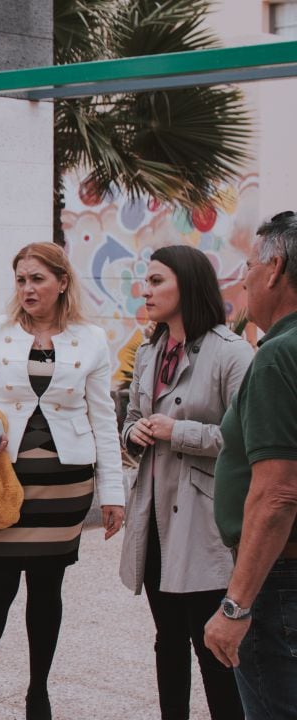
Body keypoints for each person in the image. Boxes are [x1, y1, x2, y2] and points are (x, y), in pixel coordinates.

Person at [0, 242, 125, 720]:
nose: (27, 288)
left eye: (38, 279)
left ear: (62, 282)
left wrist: (113, 494)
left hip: (65, 488)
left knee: (47, 591)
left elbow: (103, 420)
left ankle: (37, 693)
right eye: (21, 279)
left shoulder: (91, 339)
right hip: (2, 484)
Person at [119, 245, 251, 720]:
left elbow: (249, 440)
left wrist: (180, 432)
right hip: (154, 519)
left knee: (211, 647)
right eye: (145, 281)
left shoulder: (233, 354)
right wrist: (133, 431)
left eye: (156, 281)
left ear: (187, 284)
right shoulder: (150, 349)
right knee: (166, 639)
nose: (146, 290)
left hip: (204, 523)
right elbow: (133, 417)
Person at [205, 211, 297, 719]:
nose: (243, 279)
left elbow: (279, 493)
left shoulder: (279, 355)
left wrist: (236, 606)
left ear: (275, 267)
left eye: (248, 266)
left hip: (280, 580)